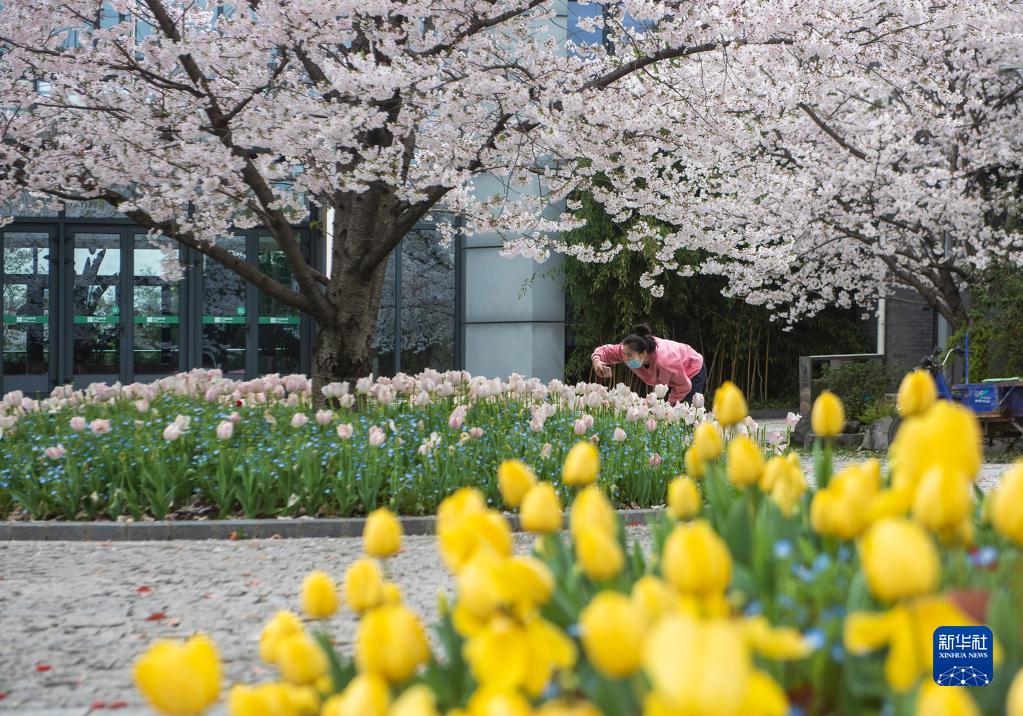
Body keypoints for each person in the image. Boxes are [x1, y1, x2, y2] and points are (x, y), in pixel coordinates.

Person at [591, 324, 706, 406]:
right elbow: (605, 351)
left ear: (643, 354)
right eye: (624, 354)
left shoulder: (665, 362)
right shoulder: (628, 349)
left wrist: (668, 406)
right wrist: (597, 361)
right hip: (675, 373)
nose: (625, 358)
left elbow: (684, 386)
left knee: (682, 416)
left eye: (629, 356)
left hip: (692, 370)